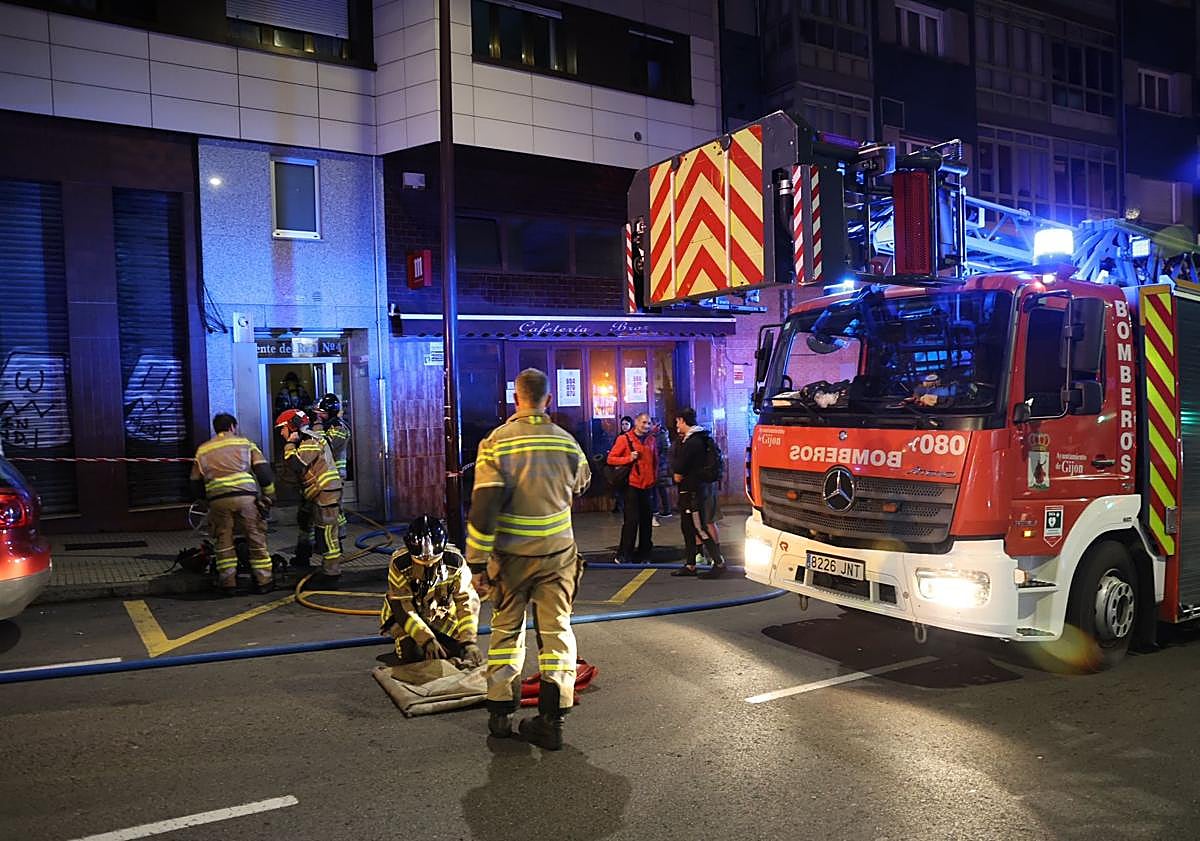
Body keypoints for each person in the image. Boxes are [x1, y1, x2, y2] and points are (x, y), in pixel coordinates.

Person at [466, 367, 591, 751]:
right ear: (547, 400)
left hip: (512, 557)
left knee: (505, 633)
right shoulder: (567, 443)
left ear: (516, 399)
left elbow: (484, 506)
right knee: (556, 633)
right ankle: (552, 722)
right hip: (557, 556)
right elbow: (583, 483)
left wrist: (475, 564)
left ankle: (501, 715)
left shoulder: (496, 443)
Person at [189, 413, 276, 595]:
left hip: (218, 500)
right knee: (255, 537)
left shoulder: (203, 450)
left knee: (223, 540)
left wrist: (206, 503)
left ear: (216, 428)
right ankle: (264, 581)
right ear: (232, 427)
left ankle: (228, 583)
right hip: (246, 498)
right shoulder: (245, 444)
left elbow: (195, 482)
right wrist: (269, 496)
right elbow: (263, 471)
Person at [380, 515, 483, 666]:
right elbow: (403, 606)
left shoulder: (456, 562)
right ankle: (405, 644)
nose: (427, 566)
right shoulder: (399, 564)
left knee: (457, 652)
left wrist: (468, 642)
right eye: (421, 563)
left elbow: (466, 602)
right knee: (414, 655)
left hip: (440, 616)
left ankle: (441, 639)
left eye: (433, 562)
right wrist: (427, 639)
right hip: (404, 617)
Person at [275, 409, 343, 582]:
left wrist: (289, 444)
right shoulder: (307, 439)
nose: (281, 433)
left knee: (327, 533)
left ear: (292, 426)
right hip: (320, 492)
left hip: (325, 492)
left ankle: (331, 572)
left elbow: (296, 465)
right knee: (312, 526)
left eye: (283, 428)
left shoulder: (309, 439)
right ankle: (308, 558)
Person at [670, 407, 727, 579]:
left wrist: (678, 475)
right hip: (692, 491)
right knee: (687, 528)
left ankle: (718, 562)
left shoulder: (693, 442)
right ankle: (690, 564)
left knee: (699, 528)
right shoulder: (700, 438)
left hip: (693, 492)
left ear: (681, 420)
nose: (676, 426)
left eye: (677, 422)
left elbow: (679, 471)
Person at [606, 412, 656, 563]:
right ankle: (624, 554)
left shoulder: (651, 440)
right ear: (636, 422)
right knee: (631, 521)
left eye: (648, 423)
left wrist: (654, 478)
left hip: (648, 485)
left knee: (646, 522)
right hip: (632, 485)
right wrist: (629, 458)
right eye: (643, 422)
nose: (646, 426)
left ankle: (644, 554)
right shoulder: (624, 439)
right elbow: (610, 459)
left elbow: (655, 461)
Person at [310, 393, 351, 538]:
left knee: (334, 507)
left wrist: (316, 427)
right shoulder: (327, 426)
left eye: (321, 414)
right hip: (326, 472)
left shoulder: (339, 428)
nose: (317, 417)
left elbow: (325, 445)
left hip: (336, 473)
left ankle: (339, 536)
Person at [651, 417, 673, 523]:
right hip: (657, 465)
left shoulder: (662, 436)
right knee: (658, 488)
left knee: (660, 488)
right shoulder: (655, 435)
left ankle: (665, 510)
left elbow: (666, 450)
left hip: (660, 466)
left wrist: (659, 460)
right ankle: (661, 509)